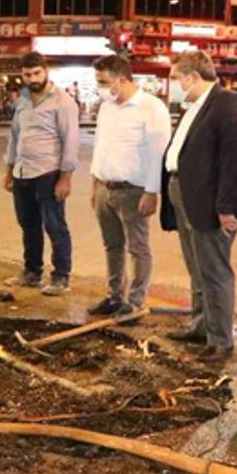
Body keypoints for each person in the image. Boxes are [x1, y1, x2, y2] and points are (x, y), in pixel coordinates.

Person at [159, 50, 237, 366]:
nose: (173, 84)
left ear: (191, 76)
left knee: (215, 270)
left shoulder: (228, 104)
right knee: (198, 267)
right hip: (185, 194)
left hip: (211, 202)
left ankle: (220, 340)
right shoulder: (194, 106)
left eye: (176, 78)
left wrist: (228, 206)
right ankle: (201, 325)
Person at [87, 54, 171, 316]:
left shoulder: (152, 107)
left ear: (122, 80)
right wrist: (95, 185)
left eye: (103, 82)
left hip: (133, 191)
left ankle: (135, 302)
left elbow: (159, 153)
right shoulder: (107, 107)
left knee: (138, 248)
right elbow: (100, 146)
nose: (100, 88)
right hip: (104, 187)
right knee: (112, 245)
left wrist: (152, 192)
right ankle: (114, 296)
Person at [3, 51, 80, 296]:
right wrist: (9, 171)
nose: (32, 78)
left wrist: (65, 178)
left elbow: (70, 142)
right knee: (29, 225)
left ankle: (61, 276)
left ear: (45, 71)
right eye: (27, 74)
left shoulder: (63, 102)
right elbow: (15, 137)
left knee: (55, 225)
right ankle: (32, 272)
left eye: (36, 73)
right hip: (22, 173)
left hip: (49, 173)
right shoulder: (22, 101)